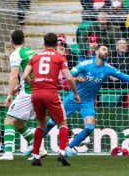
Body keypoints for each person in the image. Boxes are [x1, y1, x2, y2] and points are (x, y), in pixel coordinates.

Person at [41, 44, 129, 156]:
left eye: (107, 51)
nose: (106, 52)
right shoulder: (85, 64)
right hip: (73, 97)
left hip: (88, 102)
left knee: (89, 127)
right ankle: (35, 145)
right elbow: (67, 76)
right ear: (97, 51)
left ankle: (69, 147)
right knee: (52, 122)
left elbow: (127, 77)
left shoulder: (108, 68)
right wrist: (77, 79)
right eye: (103, 49)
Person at [23, 33, 80, 166]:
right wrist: (76, 94)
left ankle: (36, 156)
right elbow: (69, 78)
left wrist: (35, 85)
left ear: (44, 44)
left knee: (40, 124)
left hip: (36, 94)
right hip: (51, 93)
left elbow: (25, 76)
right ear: (56, 45)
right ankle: (61, 152)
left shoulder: (35, 57)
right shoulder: (59, 57)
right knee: (62, 123)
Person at [0, 30, 47, 161]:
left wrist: (9, 94)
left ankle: (8, 153)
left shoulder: (15, 54)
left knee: (9, 121)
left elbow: (13, 76)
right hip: (38, 90)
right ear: (24, 41)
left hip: (28, 93)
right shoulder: (31, 52)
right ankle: (39, 149)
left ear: (11, 42)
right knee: (19, 124)